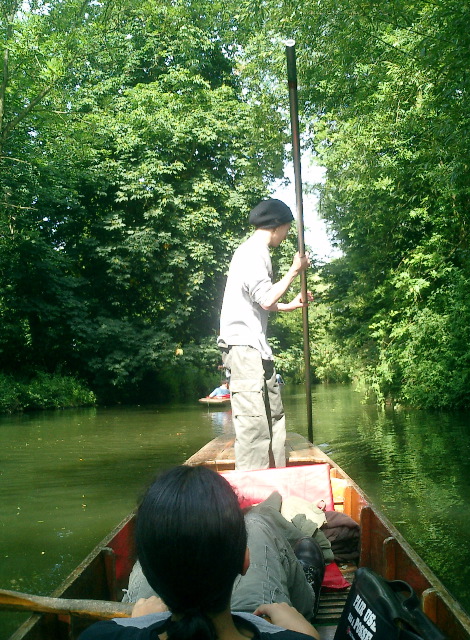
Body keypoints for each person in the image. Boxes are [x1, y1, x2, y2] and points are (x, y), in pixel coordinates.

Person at [79, 465, 324, 640]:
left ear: (146, 573)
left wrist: (136, 626)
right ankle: (307, 576)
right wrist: (308, 634)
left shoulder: (99, 636)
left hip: (149, 618)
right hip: (252, 613)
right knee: (257, 522)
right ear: (244, 560)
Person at [218, 199, 312, 470]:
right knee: (254, 423)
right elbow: (266, 298)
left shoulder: (256, 253)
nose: (286, 235)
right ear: (277, 226)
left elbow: (263, 302)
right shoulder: (252, 253)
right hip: (243, 347)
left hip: (256, 348)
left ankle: (277, 478)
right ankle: (255, 497)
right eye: (286, 229)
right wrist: (295, 270)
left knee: (273, 415)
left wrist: (290, 305)